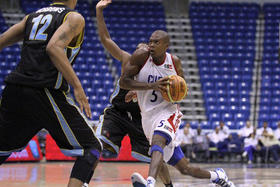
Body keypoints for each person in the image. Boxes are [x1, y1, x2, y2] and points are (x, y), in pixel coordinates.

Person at [0, 1, 102, 187]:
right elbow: (53, 47)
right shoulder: (73, 17)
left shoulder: (31, 17)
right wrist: (77, 87)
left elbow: (1, 41)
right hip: (44, 91)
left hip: (14, 90)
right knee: (92, 147)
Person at [119, 30, 235, 187]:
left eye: (156, 42)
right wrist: (144, 87)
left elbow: (182, 91)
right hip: (147, 116)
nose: (151, 45)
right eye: (150, 41)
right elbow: (123, 82)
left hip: (168, 112)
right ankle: (217, 176)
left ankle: (150, 183)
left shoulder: (174, 63)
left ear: (166, 46)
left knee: (157, 143)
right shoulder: (141, 56)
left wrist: (172, 92)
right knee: (184, 168)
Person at [95, 1, 173, 187]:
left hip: (142, 118)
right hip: (118, 112)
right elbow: (105, 39)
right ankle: (83, 180)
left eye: (146, 47)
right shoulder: (127, 60)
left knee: (156, 156)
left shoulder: (160, 71)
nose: (143, 48)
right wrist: (99, 12)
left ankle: (169, 185)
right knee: (95, 144)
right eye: (142, 46)